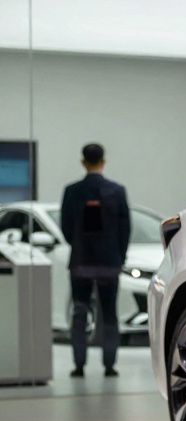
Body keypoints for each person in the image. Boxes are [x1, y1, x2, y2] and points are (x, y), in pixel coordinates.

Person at [60, 143, 130, 378]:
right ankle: (109, 366)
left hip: (80, 262)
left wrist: (79, 246)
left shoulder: (72, 191)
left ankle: (79, 366)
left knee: (79, 312)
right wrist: (118, 256)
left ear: (83, 162)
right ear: (103, 161)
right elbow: (125, 230)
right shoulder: (117, 191)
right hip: (109, 262)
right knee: (109, 313)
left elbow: (66, 228)